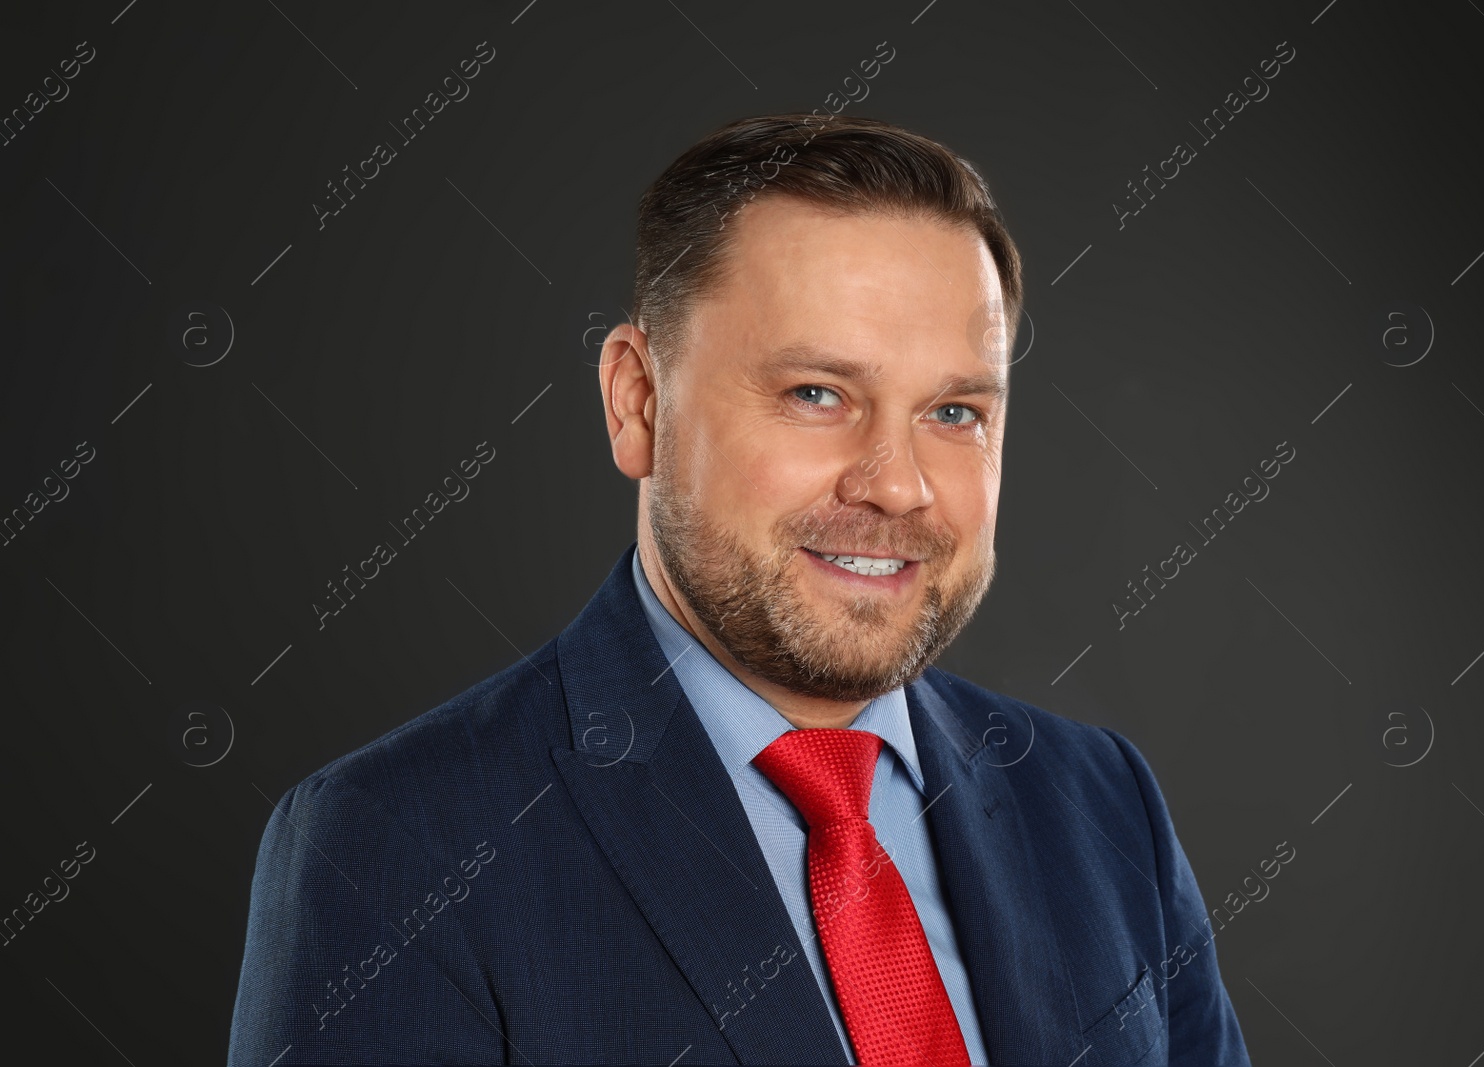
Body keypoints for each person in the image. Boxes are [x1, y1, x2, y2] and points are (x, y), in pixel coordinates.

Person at [228, 113, 1251, 1066]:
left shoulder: (1102, 804)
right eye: (817, 393)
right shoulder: (399, 842)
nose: (895, 484)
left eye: (953, 411)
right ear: (637, 402)